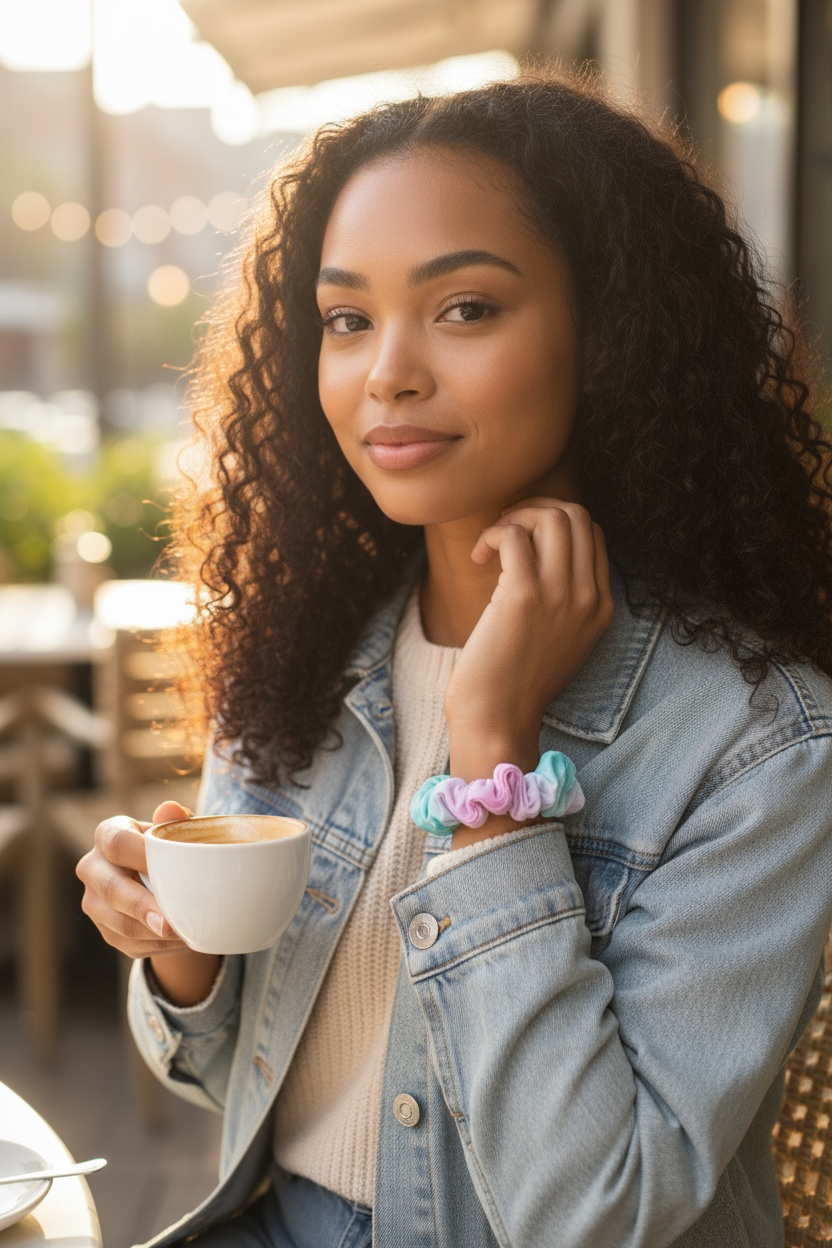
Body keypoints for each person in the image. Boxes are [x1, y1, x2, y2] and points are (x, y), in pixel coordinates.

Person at [76, 71, 832, 1248]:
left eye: (465, 307)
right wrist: (181, 960)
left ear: (609, 333)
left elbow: (598, 1211)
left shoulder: (758, 744)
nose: (388, 372)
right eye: (346, 318)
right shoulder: (305, 656)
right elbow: (220, 1083)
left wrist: (494, 757)